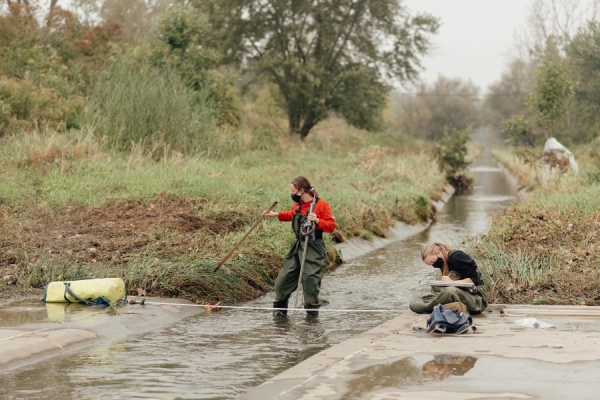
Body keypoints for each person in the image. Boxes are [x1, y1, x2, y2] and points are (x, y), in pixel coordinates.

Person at [264, 176, 336, 318]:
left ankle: (312, 319)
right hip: (297, 246)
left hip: (314, 247)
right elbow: (293, 215)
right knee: (282, 282)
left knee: (310, 283)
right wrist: (276, 214)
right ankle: (280, 315)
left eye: (293, 191)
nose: (291, 194)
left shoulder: (321, 205)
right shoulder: (297, 205)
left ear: (302, 191)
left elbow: (331, 226)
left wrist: (317, 220)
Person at [409, 242, 488, 314]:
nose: (433, 265)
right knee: (426, 296)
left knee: (449, 291)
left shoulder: (458, 257)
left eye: (433, 261)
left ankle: (429, 307)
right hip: (462, 294)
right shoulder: (445, 261)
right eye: (431, 264)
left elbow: (474, 280)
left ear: (439, 253)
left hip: (477, 299)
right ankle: (445, 306)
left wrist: (452, 282)